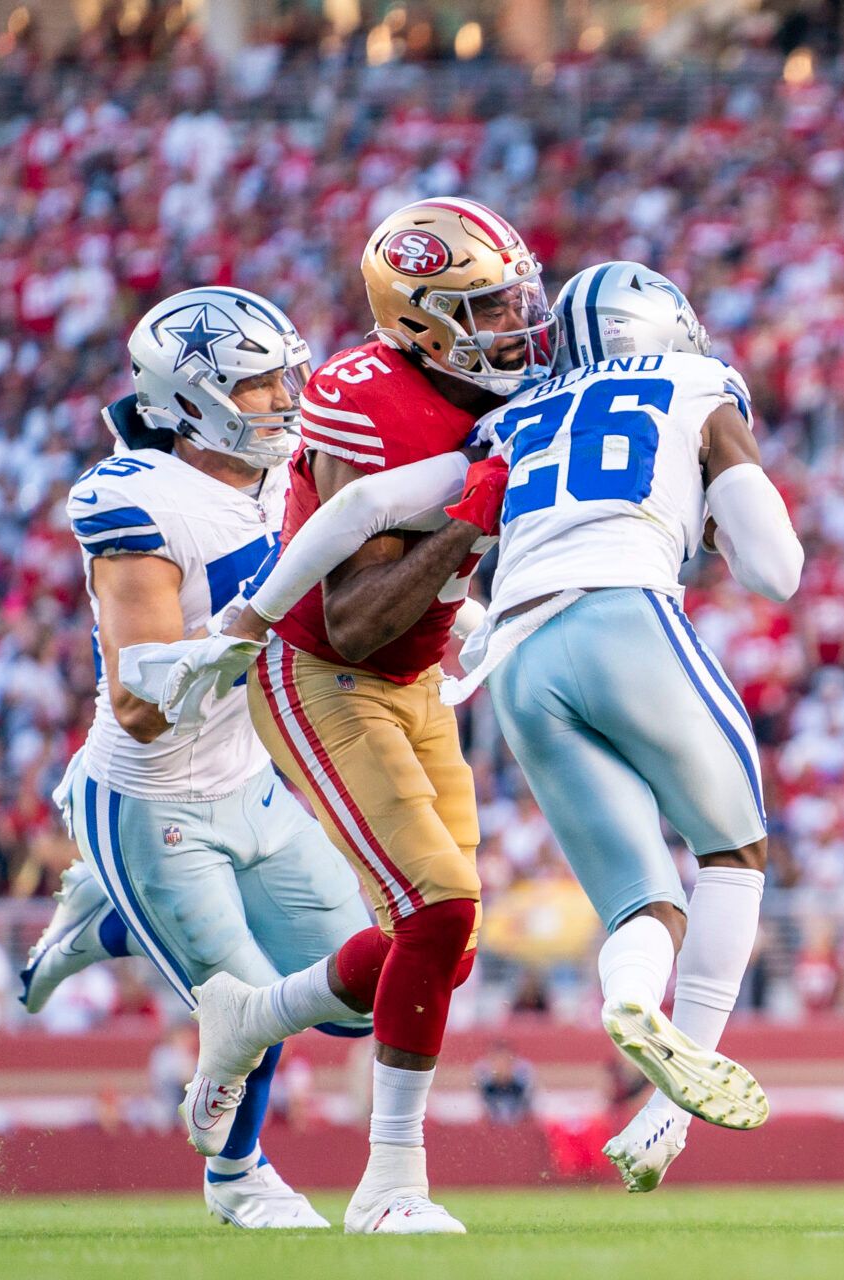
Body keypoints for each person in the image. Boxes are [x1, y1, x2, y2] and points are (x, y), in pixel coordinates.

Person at [152, 260, 800, 1195]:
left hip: (518, 662)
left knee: (637, 897)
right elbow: (775, 570)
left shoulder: (514, 416)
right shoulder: (697, 384)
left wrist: (242, 619)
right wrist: (711, 512)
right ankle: (665, 1114)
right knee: (732, 853)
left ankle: (627, 1002)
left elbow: (365, 505)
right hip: (625, 615)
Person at [122, 198, 553, 1235]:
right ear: (419, 319)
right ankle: (391, 1181)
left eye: (511, 301)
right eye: (484, 308)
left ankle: (251, 1015)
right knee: (439, 906)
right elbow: (355, 620)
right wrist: (469, 520)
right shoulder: (364, 397)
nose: (511, 326)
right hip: (320, 668)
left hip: (418, 677)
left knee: (441, 947)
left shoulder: (509, 382)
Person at [47, 286, 378, 1228]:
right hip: (154, 798)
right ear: (191, 401)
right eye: (259, 382)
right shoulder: (139, 503)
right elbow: (141, 707)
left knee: (365, 997)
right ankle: (237, 1182)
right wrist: (266, 630)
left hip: (250, 782)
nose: (285, 397)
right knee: (244, 1005)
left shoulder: (279, 475)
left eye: (284, 374)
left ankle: (110, 928)